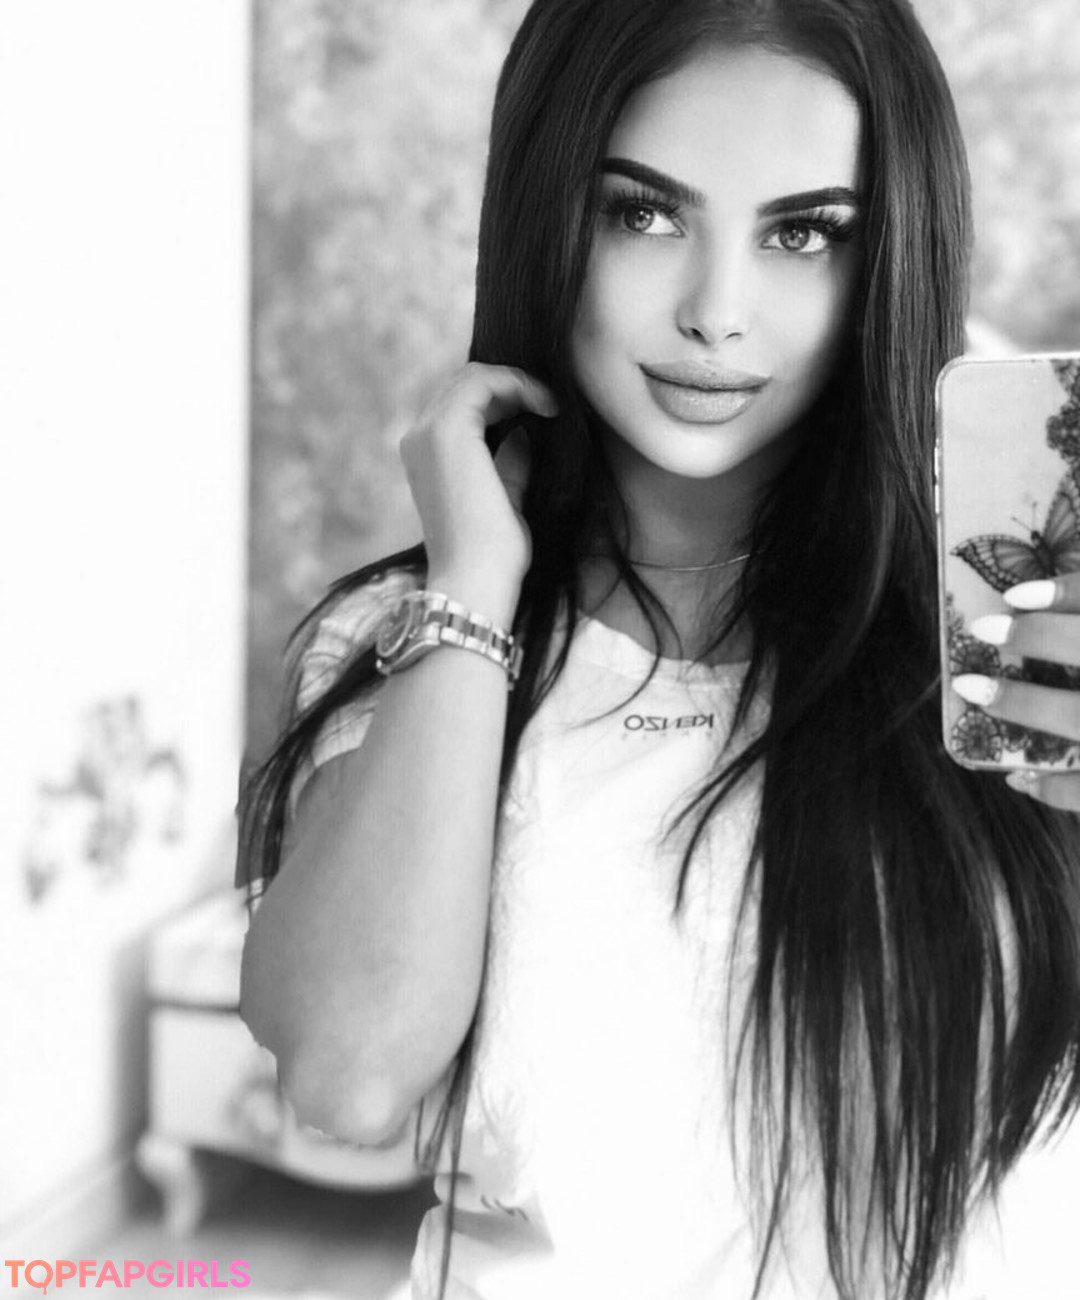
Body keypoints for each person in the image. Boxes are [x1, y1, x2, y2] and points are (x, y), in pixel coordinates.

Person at [237, 1, 1080, 1297]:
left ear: (891, 253)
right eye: (643, 213)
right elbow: (348, 1075)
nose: (716, 313)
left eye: (803, 233)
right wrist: (473, 589)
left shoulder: (1005, 632)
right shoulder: (414, 641)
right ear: (545, 215)